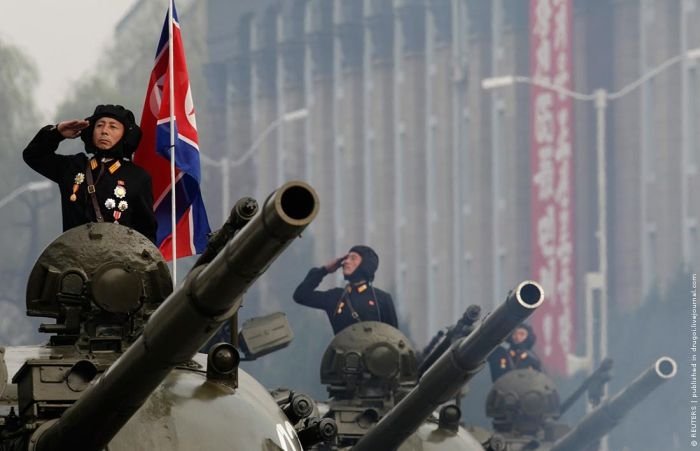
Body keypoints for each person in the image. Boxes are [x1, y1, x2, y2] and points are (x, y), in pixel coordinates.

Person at [23, 104, 157, 243]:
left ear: (125, 135)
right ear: (91, 131)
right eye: (99, 125)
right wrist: (57, 132)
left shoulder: (137, 177)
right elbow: (33, 156)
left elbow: (146, 234)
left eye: (113, 126)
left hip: (117, 262)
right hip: (74, 259)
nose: (104, 131)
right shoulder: (73, 168)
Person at [293, 245, 398, 335]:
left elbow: (395, 338)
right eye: (346, 258)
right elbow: (301, 296)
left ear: (365, 264)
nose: (346, 262)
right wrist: (324, 270)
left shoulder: (382, 299)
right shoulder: (336, 297)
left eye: (353, 258)